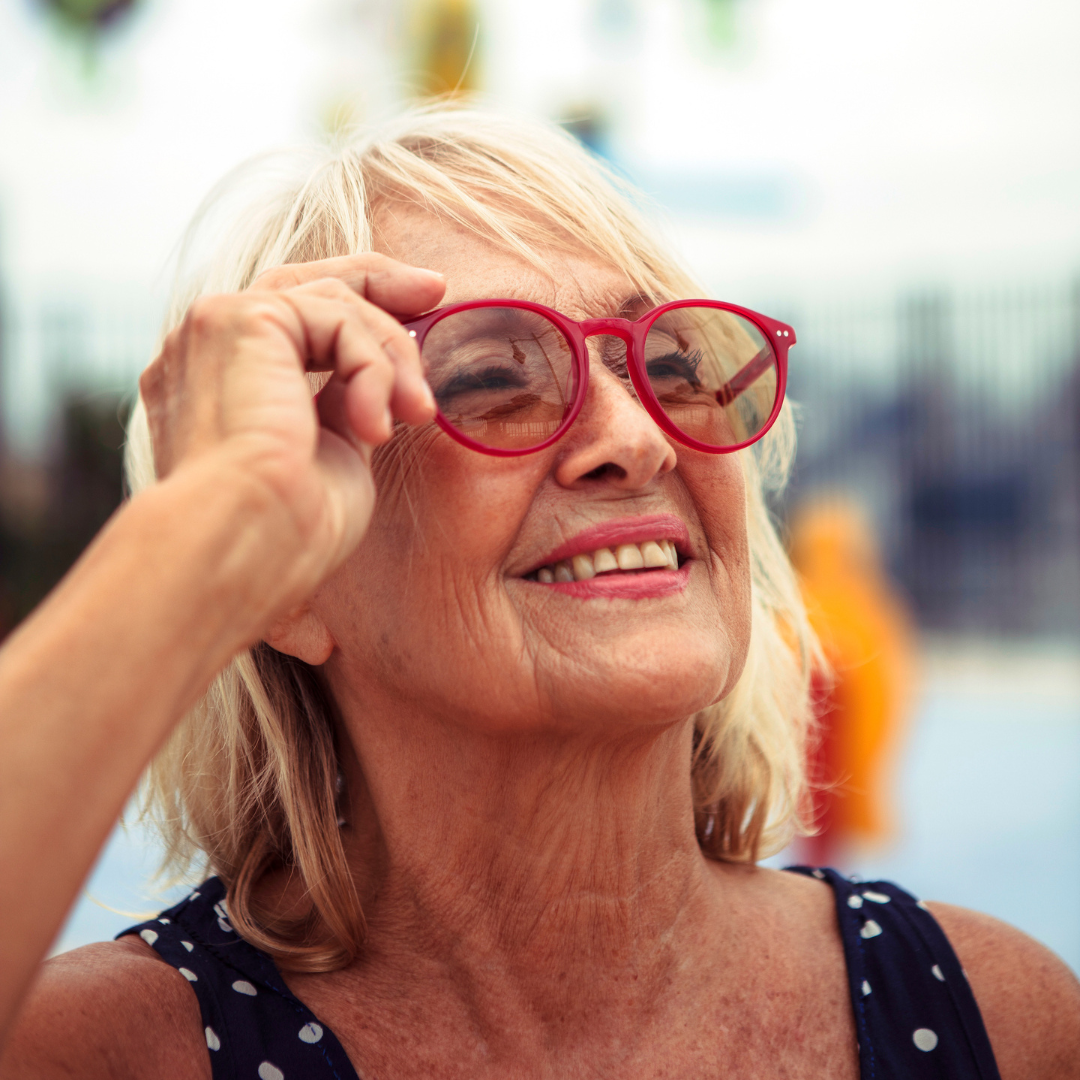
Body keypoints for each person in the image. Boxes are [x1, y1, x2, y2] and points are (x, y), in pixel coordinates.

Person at [0, 106, 1077, 1080]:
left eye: (670, 364)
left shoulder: (1006, 1021)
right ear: (293, 587)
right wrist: (206, 530)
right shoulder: (115, 1055)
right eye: (491, 379)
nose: (637, 435)